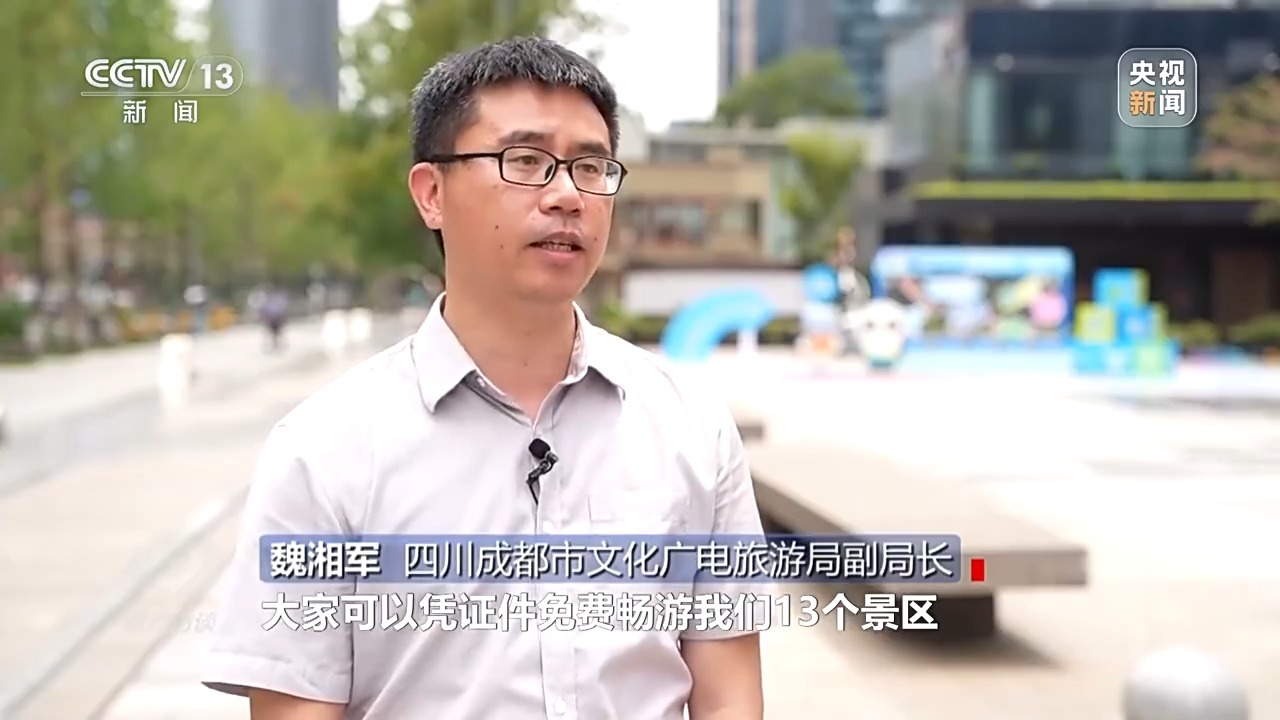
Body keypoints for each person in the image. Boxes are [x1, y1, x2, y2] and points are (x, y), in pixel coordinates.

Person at [202, 37, 768, 720]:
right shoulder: (324, 451)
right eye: (525, 160)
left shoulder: (691, 429)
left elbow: (730, 695)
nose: (567, 195)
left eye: (591, 166)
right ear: (431, 194)